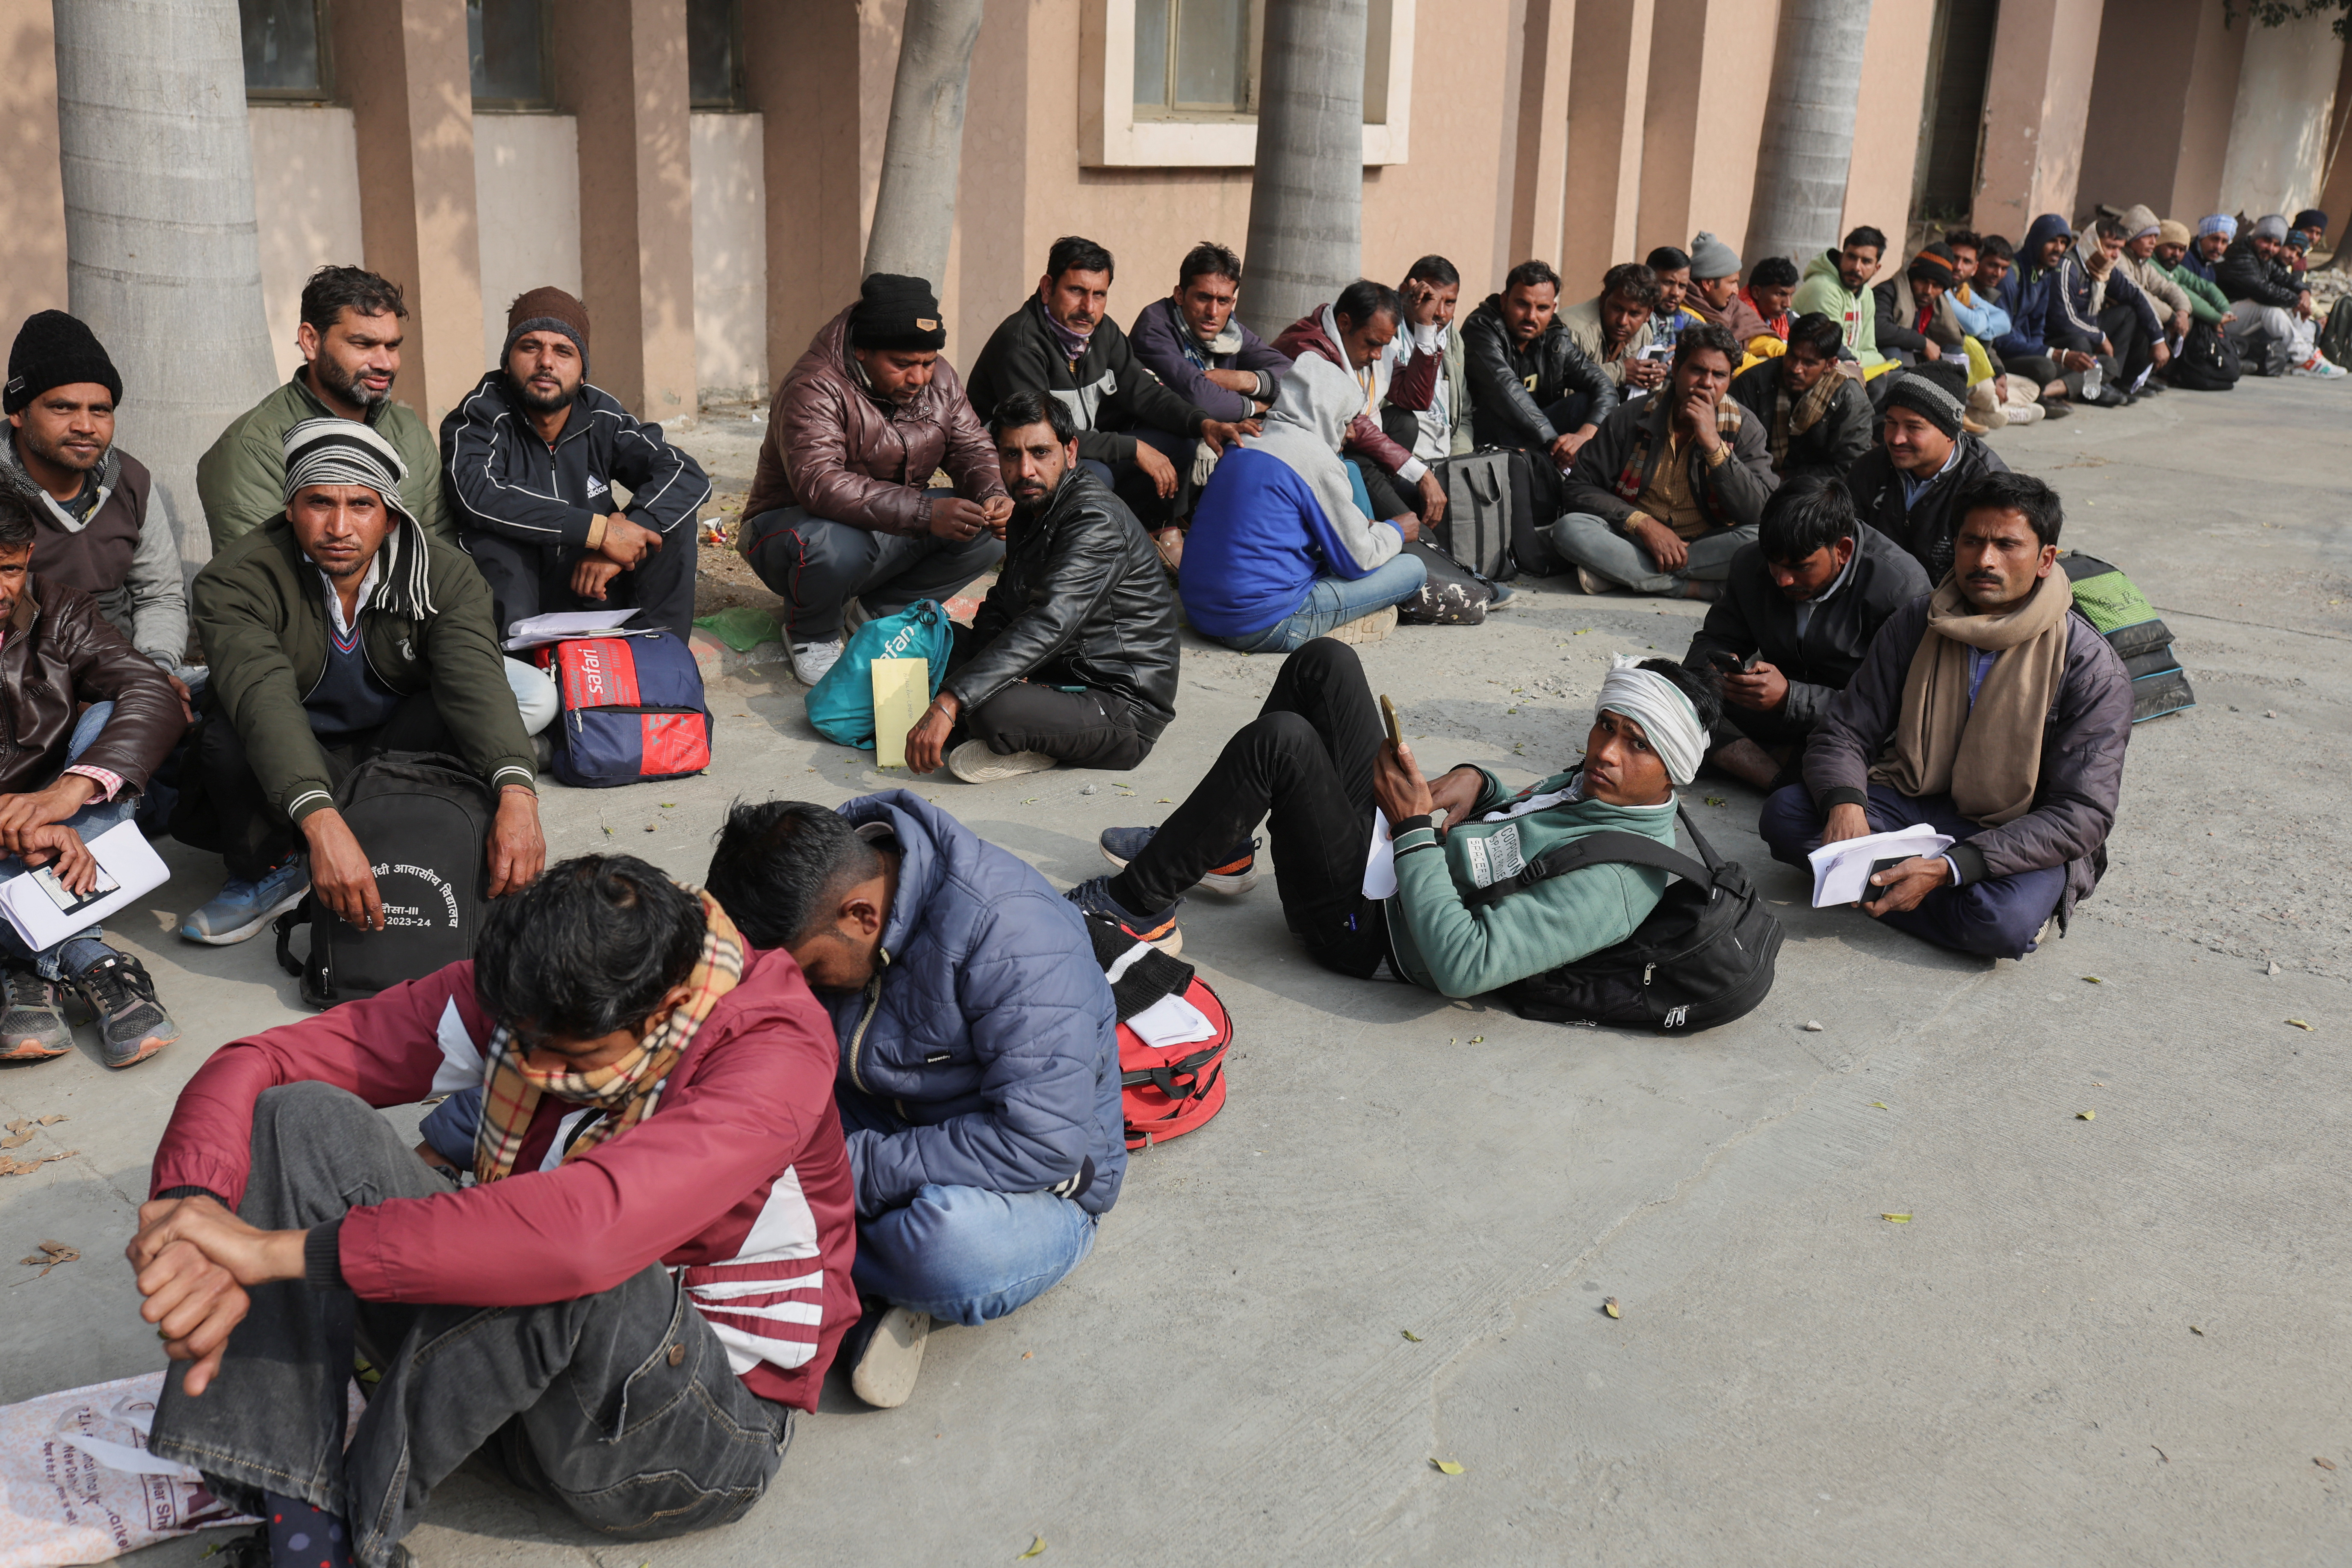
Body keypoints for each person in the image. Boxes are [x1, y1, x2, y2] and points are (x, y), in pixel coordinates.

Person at [128, 855, 857, 1568]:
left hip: (692, 1440)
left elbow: (583, 1236)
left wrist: (282, 1253)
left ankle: (355, 1529)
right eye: (525, 1044)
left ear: (663, 1009)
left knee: (561, 1251)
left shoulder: (772, 1050)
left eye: (572, 1056)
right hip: (512, 1399)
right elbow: (257, 1061)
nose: (534, 1071)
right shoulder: (528, 987)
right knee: (294, 1116)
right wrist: (192, 1212)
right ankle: (305, 1531)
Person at [703, 794, 1121, 1408]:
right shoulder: (823, 883)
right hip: (878, 1122)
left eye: (810, 969)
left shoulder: (1014, 931)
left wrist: (845, 1173)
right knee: (714, 1118)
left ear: (861, 916)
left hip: (1027, 1182)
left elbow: (1040, 1143)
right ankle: (847, 1284)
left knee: (946, 1248)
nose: (805, 985)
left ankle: (802, 1263)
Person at [1066, 637, 1718, 994]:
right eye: (1606, 725)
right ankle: (1222, 841)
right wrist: (1478, 782)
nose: (1605, 750)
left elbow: (1466, 963)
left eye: (1637, 744)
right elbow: (1530, 821)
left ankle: (1137, 905)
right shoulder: (1608, 787)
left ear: (1675, 769)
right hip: (1399, 859)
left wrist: (1411, 830)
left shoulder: (1617, 881)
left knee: (1284, 742)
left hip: (1371, 930)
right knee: (1327, 662)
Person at [175, 420, 545, 945]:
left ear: (391, 517)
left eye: (362, 505)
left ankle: (428, 841)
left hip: (390, 744)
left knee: (467, 716)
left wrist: (518, 794)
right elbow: (264, 702)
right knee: (227, 735)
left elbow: (476, 683)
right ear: (289, 508)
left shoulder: (445, 575)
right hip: (298, 748)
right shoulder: (236, 581)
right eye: (319, 503)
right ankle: (271, 868)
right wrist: (322, 822)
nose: (339, 527)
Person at [1758, 472, 2131, 960]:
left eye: (2006, 545)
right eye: (1971, 541)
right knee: (1786, 816)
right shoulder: (1919, 621)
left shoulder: (2089, 665)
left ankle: (1880, 884)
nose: (1984, 560)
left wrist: (1952, 868)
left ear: (2045, 559)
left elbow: (2081, 814)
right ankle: (1908, 889)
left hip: (2014, 830)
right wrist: (1845, 802)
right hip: (1914, 802)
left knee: (2001, 922)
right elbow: (1846, 728)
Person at [736, 274, 1010, 686]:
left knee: (983, 529)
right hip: (790, 534)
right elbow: (822, 484)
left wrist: (994, 495)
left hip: (887, 525)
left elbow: (972, 447)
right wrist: (924, 511)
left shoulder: (941, 379)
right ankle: (812, 632)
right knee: (841, 544)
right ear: (862, 349)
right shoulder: (814, 386)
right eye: (902, 365)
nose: (919, 378)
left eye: (928, 363)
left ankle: (877, 614)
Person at [0, 475, 184, 1066]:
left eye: (7, 568)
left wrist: (67, 794)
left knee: (115, 713)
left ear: (28, 554)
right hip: (39, 835)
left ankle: (21, 965)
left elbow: (152, 691)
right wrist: (24, 827)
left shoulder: (59, 608)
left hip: (68, 819)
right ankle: (85, 958)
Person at [899, 393, 1177, 783]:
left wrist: (952, 700)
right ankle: (1016, 725)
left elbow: (1049, 622)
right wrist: (974, 676)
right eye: (1011, 455)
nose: (1025, 470)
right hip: (1053, 671)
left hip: (1118, 705)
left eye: (1041, 452)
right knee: (927, 647)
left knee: (986, 707)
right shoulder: (1030, 509)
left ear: (1071, 452)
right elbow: (1001, 605)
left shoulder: (1094, 519)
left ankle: (1032, 743)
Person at [441, 288, 712, 645]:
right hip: (516, 599)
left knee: (670, 523)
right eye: (530, 347)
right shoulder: (480, 415)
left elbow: (683, 472)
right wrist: (599, 531)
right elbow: (477, 493)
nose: (546, 362)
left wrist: (629, 533)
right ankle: (520, 674)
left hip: (590, 586)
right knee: (495, 539)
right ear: (507, 363)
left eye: (563, 351)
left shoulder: (601, 414)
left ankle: (661, 660)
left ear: (583, 372)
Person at [966, 236, 1249, 538]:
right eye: (1076, 291)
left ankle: (1160, 531)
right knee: (1095, 475)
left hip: (1075, 450)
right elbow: (1043, 439)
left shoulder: (1102, 333)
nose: (1088, 307)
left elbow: (1145, 392)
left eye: (1099, 294)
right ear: (1048, 288)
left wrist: (1203, 423)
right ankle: (1066, 546)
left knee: (1179, 444)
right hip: (1019, 466)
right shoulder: (1021, 343)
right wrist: (1133, 448)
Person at [1683, 475, 1929, 790]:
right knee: (1671, 701)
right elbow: (1714, 638)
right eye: (1774, 564)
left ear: (1842, 550)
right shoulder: (1751, 564)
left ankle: (1769, 768)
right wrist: (1716, 671)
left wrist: (1790, 697)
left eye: (1800, 567)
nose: (1783, 580)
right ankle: (1777, 775)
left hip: (1849, 727)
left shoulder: (1902, 589)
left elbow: (1898, 709)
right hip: (1769, 714)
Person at [1177, 354, 1426, 653]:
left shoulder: (1247, 437)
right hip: (1263, 625)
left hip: (1200, 614)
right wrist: (1396, 531)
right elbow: (1356, 560)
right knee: (1412, 569)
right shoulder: (1314, 457)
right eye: (1346, 421)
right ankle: (1328, 624)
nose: (1352, 433)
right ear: (1325, 414)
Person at [3, 312, 192, 698]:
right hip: (23, 685)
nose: (86, 426)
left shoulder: (132, 481)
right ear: (19, 413)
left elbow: (158, 594)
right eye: (63, 408)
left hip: (123, 672)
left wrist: (153, 670)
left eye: (100, 410)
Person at [199, 266, 451, 551]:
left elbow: (442, 556)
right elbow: (258, 579)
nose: (385, 363)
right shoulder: (253, 448)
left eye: (392, 346)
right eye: (363, 344)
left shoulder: (410, 432)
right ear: (311, 341)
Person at [1548, 323, 1777, 600]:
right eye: (1697, 370)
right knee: (1570, 529)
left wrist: (1715, 447)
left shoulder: (1745, 427)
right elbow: (1579, 488)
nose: (1707, 383)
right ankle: (1692, 587)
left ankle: (1628, 576)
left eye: (1719, 375)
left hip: (1705, 546)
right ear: (1676, 368)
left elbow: (1760, 513)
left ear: (1729, 380)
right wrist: (1643, 524)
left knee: (1766, 540)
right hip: (1633, 540)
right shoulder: (1631, 416)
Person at [1124, 241, 1294, 572]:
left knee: (1266, 435)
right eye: (1203, 297)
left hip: (1206, 431)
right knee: (1189, 432)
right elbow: (1199, 397)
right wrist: (1254, 407)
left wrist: (1246, 380)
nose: (1213, 312)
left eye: (1224, 301)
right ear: (1179, 294)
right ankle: (1162, 525)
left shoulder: (1231, 330)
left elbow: (1292, 374)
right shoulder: (1154, 326)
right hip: (1146, 439)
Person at [1270, 278, 1445, 524]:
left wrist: (1425, 325)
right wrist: (1420, 473)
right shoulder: (1308, 347)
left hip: (1354, 445)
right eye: (1373, 344)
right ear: (1344, 323)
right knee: (1413, 529)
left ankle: (1381, 499)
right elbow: (1353, 422)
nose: (1377, 355)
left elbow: (1414, 396)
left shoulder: (1362, 346)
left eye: (1383, 347)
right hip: (1317, 459)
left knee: (1405, 422)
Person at [1842, 368, 2011, 586]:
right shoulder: (1869, 468)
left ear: (1950, 432)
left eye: (1914, 427)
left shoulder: (1987, 486)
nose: (1896, 439)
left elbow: (1992, 578)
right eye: (1891, 423)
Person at [1463, 259, 1620, 464]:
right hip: (1488, 437)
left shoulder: (1555, 339)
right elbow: (1506, 390)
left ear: (1553, 308)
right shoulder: (1482, 328)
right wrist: (1556, 446)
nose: (1531, 316)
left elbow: (1605, 386)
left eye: (1542, 308)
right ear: (1504, 301)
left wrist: (1586, 435)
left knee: (1585, 403)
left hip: (1537, 438)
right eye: (1522, 304)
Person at [1726, 313, 1874, 482]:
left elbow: (1849, 468)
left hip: (1818, 495)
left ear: (1830, 365)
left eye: (1809, 363)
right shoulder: (1756, 382)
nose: (1796, 369)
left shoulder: (1850, 401)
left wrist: (1787, 479)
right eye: (1792, 356)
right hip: (1756, 482)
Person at [1992, 214, 2104, 406]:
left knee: (2092, 355)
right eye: (2052, 241)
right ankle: (2048, 391)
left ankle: (2045, 391)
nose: (2059, 249)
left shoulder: (2045, 274)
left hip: (2027, 349)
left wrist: (2042, 351)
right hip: (2005, 355)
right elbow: (2001, 341)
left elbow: (2037, 327)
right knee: (2045, 368)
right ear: (2036, 240)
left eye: (2063, 243)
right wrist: (2051, 355)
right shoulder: (2011, 275)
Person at [2059, 216, 2167, 395]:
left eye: (2119, 248)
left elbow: (2137, 296)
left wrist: (2159, 340)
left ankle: (2113, 382)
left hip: (2090, 327)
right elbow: (2063, 320)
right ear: (2093, 242)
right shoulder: (2069, 267)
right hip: (2065, 333)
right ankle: (2091, 390)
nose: (2116, 255)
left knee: (2130, 313)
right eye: (2110, 247)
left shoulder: (2105, 269)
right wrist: (2100, 337)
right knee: (2081, 342)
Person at [2217, 214, 2332, 377]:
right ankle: (2306, 359)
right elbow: (2261, 290)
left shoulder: (2263, 257)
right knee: (2270, 310)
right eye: (2267, 241)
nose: (2271, 248)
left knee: (2290, 308)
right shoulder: (2241, 255)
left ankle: (2308, 356)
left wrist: (2304, 293)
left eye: (2276, 244)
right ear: (2256, 237)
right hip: (2222, 317)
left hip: (2237, 315)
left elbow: (2285, 279)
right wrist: (2296, 301)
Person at [1388, 255, 1473, 463]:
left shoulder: (1452, 340)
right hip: (1399, 460)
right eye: (1430, 300)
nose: (1441, 313)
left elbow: (1463, 418)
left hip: (1444, 462)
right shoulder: (1384, 332)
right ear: (1405, 293)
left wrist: (1459, 464)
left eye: (1450, 303)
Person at [1560, 261, 1666, 395]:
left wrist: (1653, 379)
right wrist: (1619, 372)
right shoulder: (1577, 332)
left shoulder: (1644, 333)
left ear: (1648, 314)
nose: (1623, 321)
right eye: (1617, 308)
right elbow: (1564, 393)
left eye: (1634, 314)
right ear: (1603, 299)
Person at [1793, 226, 1891, 369]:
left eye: (1866, 262)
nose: (1857, 267)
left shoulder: (1867, 294)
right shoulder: (1824, 289)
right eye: (1851, 257)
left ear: (1877, 268)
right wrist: (1878, 360)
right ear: (1841, 257)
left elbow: (1868, 348)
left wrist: (1876, 360)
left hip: (1847, 367)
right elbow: (1835, 351)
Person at [2113, 205, 2197, 356]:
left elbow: (2169, 288)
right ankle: (2126, 379)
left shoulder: (2142, 265)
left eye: (2156, 237)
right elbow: (2139, 295)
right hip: (2109, 326)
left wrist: (2183, 313)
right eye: (2148, 236)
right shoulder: (2119, 261)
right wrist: (2172, 318)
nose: (2154, 242)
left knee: (2183, 323)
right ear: (2132, 236)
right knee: (2142, 319)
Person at [1873, 249, 1968, 367]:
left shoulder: (1936, 305)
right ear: (1912, 279)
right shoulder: (1888, 292)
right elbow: (1880, 329)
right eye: (1923, 281)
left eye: (1936, 286)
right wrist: (1923, 343)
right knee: (1892, 355)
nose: (1928, 291)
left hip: (1915, 355)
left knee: (1955, 352)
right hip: (1890, 353)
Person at [1685, 231, 1769, 348]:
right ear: (1707, 284)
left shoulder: (1734, 307)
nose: (1736, 291)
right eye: (1732, 283)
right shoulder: (1687, 315)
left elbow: (1761, 341)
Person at [2151, 220, 2234, 328]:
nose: (2176, 254)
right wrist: (2217, 318)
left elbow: (2206, 287)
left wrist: (2226, 310)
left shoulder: (2176, 268)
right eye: (2172, 247)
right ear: (2158, 245)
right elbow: (2184, 293)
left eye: (2182, 250)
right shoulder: (2151, 264)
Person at [1740, 256, 1800, 350]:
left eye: (1791, 295)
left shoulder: (1785, 317)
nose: (1788, 304)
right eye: (1781, 294)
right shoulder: (1739, 319)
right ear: (1757, 292)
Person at [1645, 245, 1704, 336]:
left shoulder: (1685, 321)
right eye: (1669, 283)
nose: (1676, 293)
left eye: (1682, 286)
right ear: (1649, 280)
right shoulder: (1631, 321)